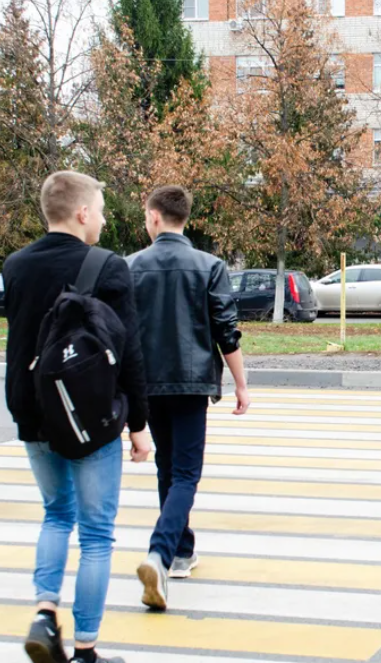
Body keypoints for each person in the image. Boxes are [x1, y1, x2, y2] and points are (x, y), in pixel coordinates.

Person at [3, 171, 151, 663]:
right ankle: (86, 656)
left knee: (55, 514)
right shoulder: (107, 266)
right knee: (95, 534)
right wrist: (138, 425)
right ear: (83, 213)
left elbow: (20, 340)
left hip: (33, 411)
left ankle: (45, 614)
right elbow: (128, 350)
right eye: (102, 210)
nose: (104, 220)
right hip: (90, 418)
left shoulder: (15, 265)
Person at [130, 185, 250, 611]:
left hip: (147, 384)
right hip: (192, 383)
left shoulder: (130, 266)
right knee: (185, 474)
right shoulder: (210, 266)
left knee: (167, 467)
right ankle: (160, 554)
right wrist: (240, 384)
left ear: (154, 217)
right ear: (185, 218)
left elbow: (122, 333)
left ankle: (181, 551)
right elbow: (226, 331)